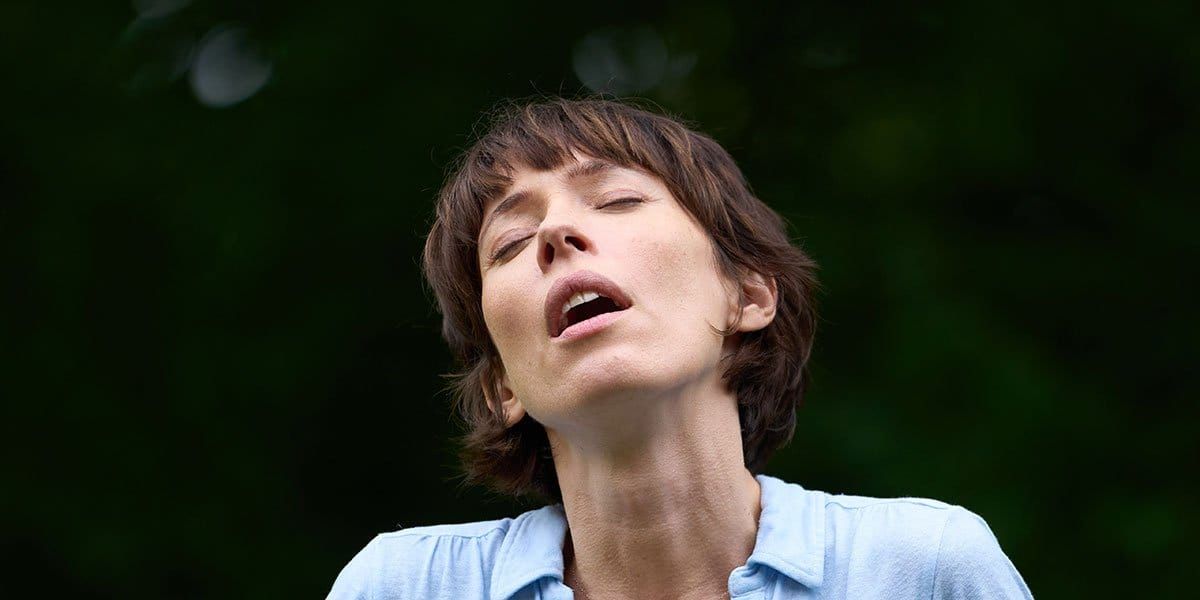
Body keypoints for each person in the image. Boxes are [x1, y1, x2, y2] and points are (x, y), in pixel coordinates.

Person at [326, 97, 1033, 599]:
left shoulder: (923, 571)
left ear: (746, 296)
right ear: (501, 388)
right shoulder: (401, 588)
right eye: (509, 243)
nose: (554, 235)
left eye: (617, 201)